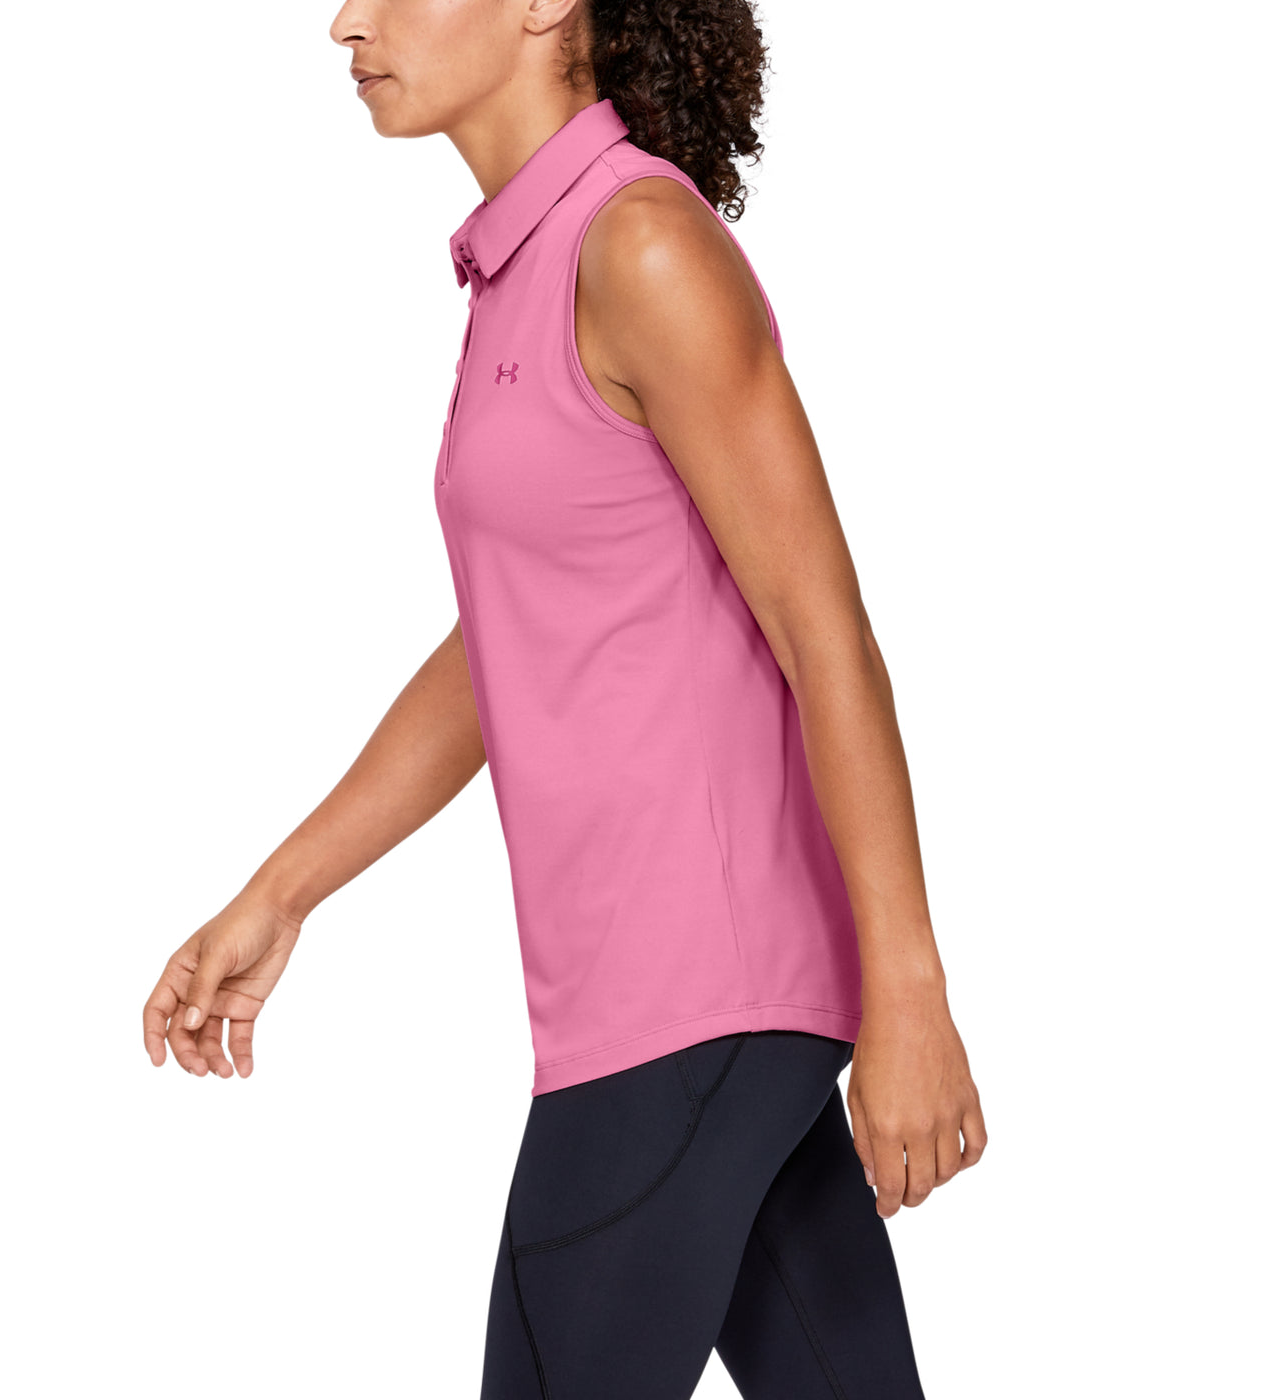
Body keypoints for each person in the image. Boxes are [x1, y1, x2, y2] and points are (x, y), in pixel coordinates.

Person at [142, 3, 987, 1395]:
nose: (347, 21)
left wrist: (911, 996)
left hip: (692, 997)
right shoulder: (526, 267)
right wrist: (282, 893)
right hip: (679, 1006)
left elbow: (824, 631)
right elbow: (508, 642)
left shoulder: (639, 247)